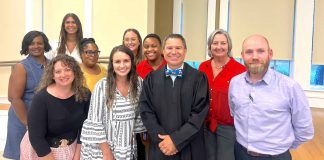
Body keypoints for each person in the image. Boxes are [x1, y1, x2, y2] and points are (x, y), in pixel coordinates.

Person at [229, 35, 314, 160]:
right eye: (249, 52)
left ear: (270, 53)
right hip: (241, 153)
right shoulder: (235, 83)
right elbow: (234, 113)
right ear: (242, 56)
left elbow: (305, 130)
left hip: (275, 156)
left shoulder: (290, 87)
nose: (255, 57)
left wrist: (280, 149)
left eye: (260, 51)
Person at [140, 34, 209, 160]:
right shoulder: (151, 79)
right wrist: (163, 141)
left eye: (178, 48)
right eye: (169, 48)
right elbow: (146, 111)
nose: (174, 52)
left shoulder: (199, 78)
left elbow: (199, 114)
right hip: (161, 145)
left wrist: (175, 140)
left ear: (185, 51)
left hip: (190, 145)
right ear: (163, 51)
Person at [80, 45, 146, 160]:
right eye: (117, 61)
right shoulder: (102, 86)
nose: (122, 65)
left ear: (132, 62)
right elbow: (95, 122)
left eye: (126, 61)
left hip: (126, 148)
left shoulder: (138, 83)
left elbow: (137, 117)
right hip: (101, 150)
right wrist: (107, 153)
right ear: (112, 64)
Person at [20, 54, 91, 159]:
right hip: (42, 151)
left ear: (75, 72)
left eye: (67, 69)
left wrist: (77, 155)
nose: (63, 74)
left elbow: (84, 128)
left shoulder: (85, 94)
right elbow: (36, 138)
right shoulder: (41, 98)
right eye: (58, 71)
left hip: (71, 147)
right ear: (52, 75)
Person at [198, 29, 246, 160]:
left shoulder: (240, 70)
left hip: (228, 127)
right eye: (215, 43)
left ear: (228, 46)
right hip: (205, 125)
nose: (219, 47)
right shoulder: (203, 67)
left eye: (223, 43)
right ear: (210, 46)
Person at [3, 31, 51, 159]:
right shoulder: (21, 67)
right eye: (31, 43)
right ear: (26, 46)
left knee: (43, 154)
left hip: (45, 117)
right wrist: (29, 124)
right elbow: (13, 98)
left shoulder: (52, 64)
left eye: (39, 43)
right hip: (23, 116)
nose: (36, 46)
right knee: (23, 154)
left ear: (45, 45)